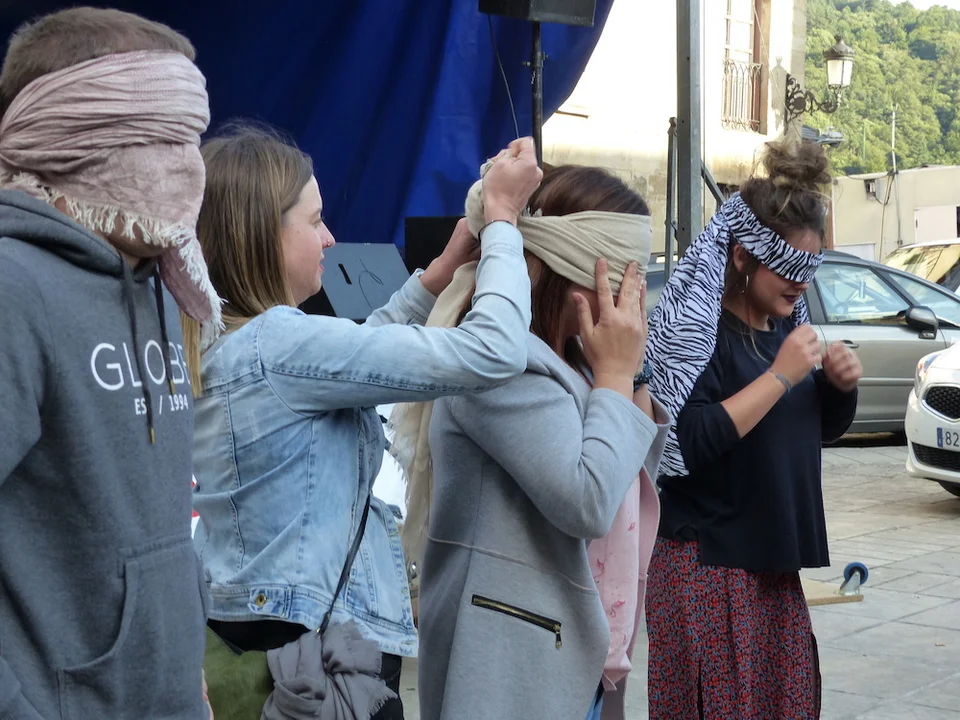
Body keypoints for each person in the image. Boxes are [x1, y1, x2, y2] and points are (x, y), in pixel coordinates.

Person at [187, 124, 542, 720]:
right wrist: (504, 221)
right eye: (315, 220)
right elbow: (493, 351)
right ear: (263, 237)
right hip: (317, 661)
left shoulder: (227, 342)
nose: (330, 237)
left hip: (258, 637)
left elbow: (349, 356)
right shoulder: (281, 343)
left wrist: (438, 273)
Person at [0, 7, 220, 719]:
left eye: (195, 137)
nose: (192, 166)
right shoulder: (13, 288)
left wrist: (185, 662)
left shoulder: (158, 285)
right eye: (166, 138)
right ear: (77, 140)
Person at [393, 165, 671, 720]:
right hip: (511, 670)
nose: (635, 293)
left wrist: (627, 374)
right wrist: (616, 376)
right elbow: (588, 501)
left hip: (571, 658)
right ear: (574, 267)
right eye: (624, 273)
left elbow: (628, 480)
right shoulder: (503, 367)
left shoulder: (573, 359)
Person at [644, 141, 863, 719]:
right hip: (707, 570)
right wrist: (780, 376)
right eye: (788, 269)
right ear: (742, 256)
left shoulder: (785, 331)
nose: (800, 285)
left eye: (810, 270)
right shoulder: (696, 334)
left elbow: (806, 433)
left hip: (770, 570)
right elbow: (682, 444)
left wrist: (839, 388)